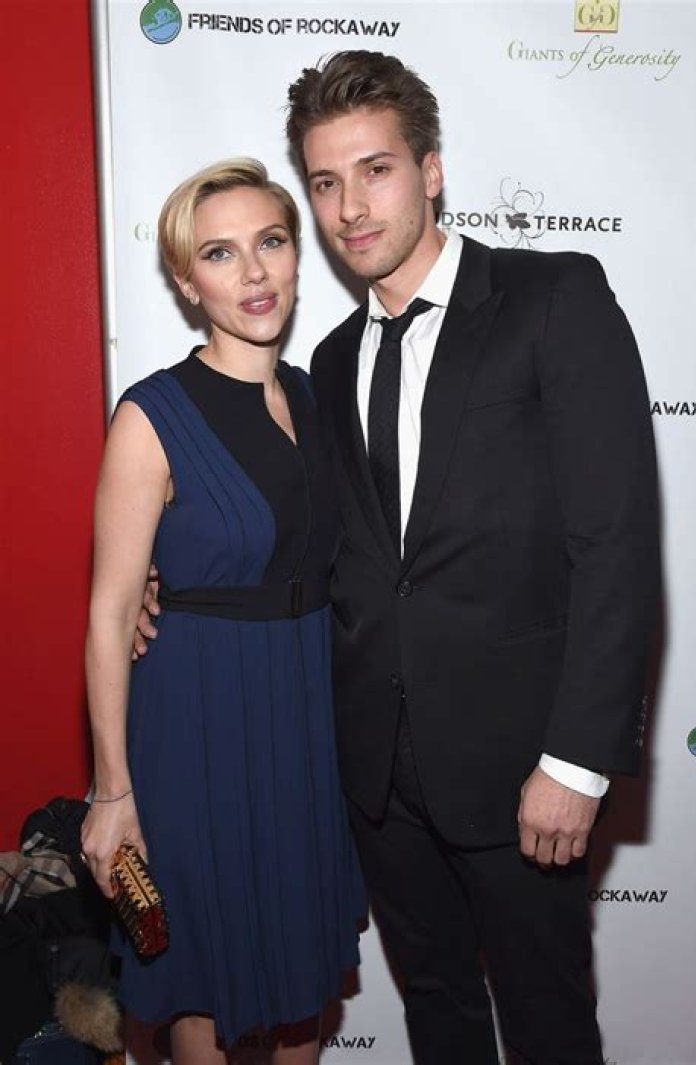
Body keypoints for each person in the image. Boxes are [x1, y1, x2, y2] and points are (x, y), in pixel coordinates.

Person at [136, 51, 659, 1065]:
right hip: (374, 777)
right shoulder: (328, 364)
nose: (350, 207)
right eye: (326, 182)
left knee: (549, 1024)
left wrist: (577, 759)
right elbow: (312, 542)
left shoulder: (552, 298)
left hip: (522, 769)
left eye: (375, 170)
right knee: (439, 1016)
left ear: (431, 170)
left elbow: (617, 544)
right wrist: (172, 586)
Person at [81, 157, 365, 1065]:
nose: (252, 272)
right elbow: (109, 613)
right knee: (204, 972)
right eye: (219, 252)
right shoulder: (151, 416)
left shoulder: (319, 395)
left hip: (308, 723)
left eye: (270, 242)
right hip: (197, 723)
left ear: (297, 254)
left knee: (304, 977)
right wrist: (113, 791)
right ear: (184, 278)